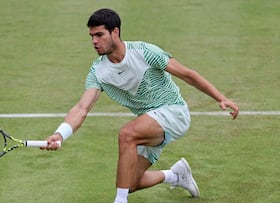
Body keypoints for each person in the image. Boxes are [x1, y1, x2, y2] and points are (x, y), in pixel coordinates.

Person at [41, 8, 239, 203]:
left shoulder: (144, 52)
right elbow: (81, 109)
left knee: (126, 134)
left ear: (115, 32)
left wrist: (220, 97)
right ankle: (176, 175)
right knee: (130, 183)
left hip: (173, 112)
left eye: (99, 35)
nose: (94, 41)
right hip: (149, 121)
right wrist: (60, 134)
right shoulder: (98, 71)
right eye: (91, 36)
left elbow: (188, 74)